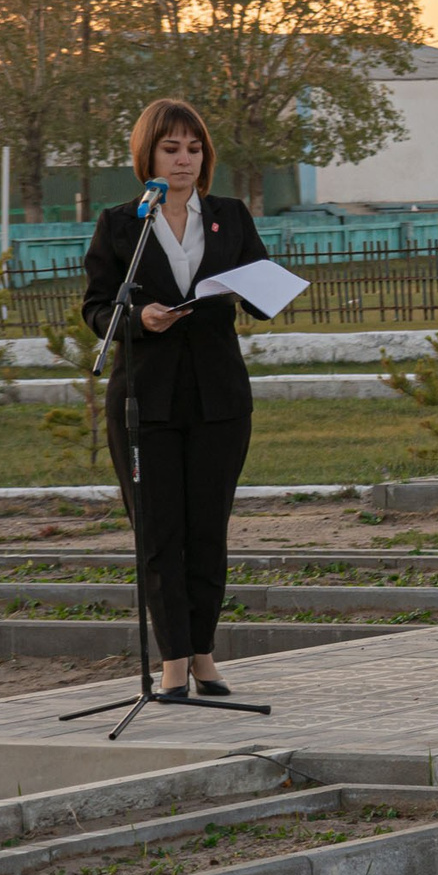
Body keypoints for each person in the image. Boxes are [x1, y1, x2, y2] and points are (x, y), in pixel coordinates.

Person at [82, 99, 271, 699]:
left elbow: (260, 285)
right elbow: (96, 308)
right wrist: (140, 315)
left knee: (208, 529)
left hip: (219, 399)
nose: (185, 158)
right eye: (172, 148)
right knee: (159, 533)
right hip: (147, 400)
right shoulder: (121, 224)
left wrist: (264, 288)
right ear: (148, 155)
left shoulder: (230, 216)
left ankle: (206, 656)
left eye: (193, 148)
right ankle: (172, 663)